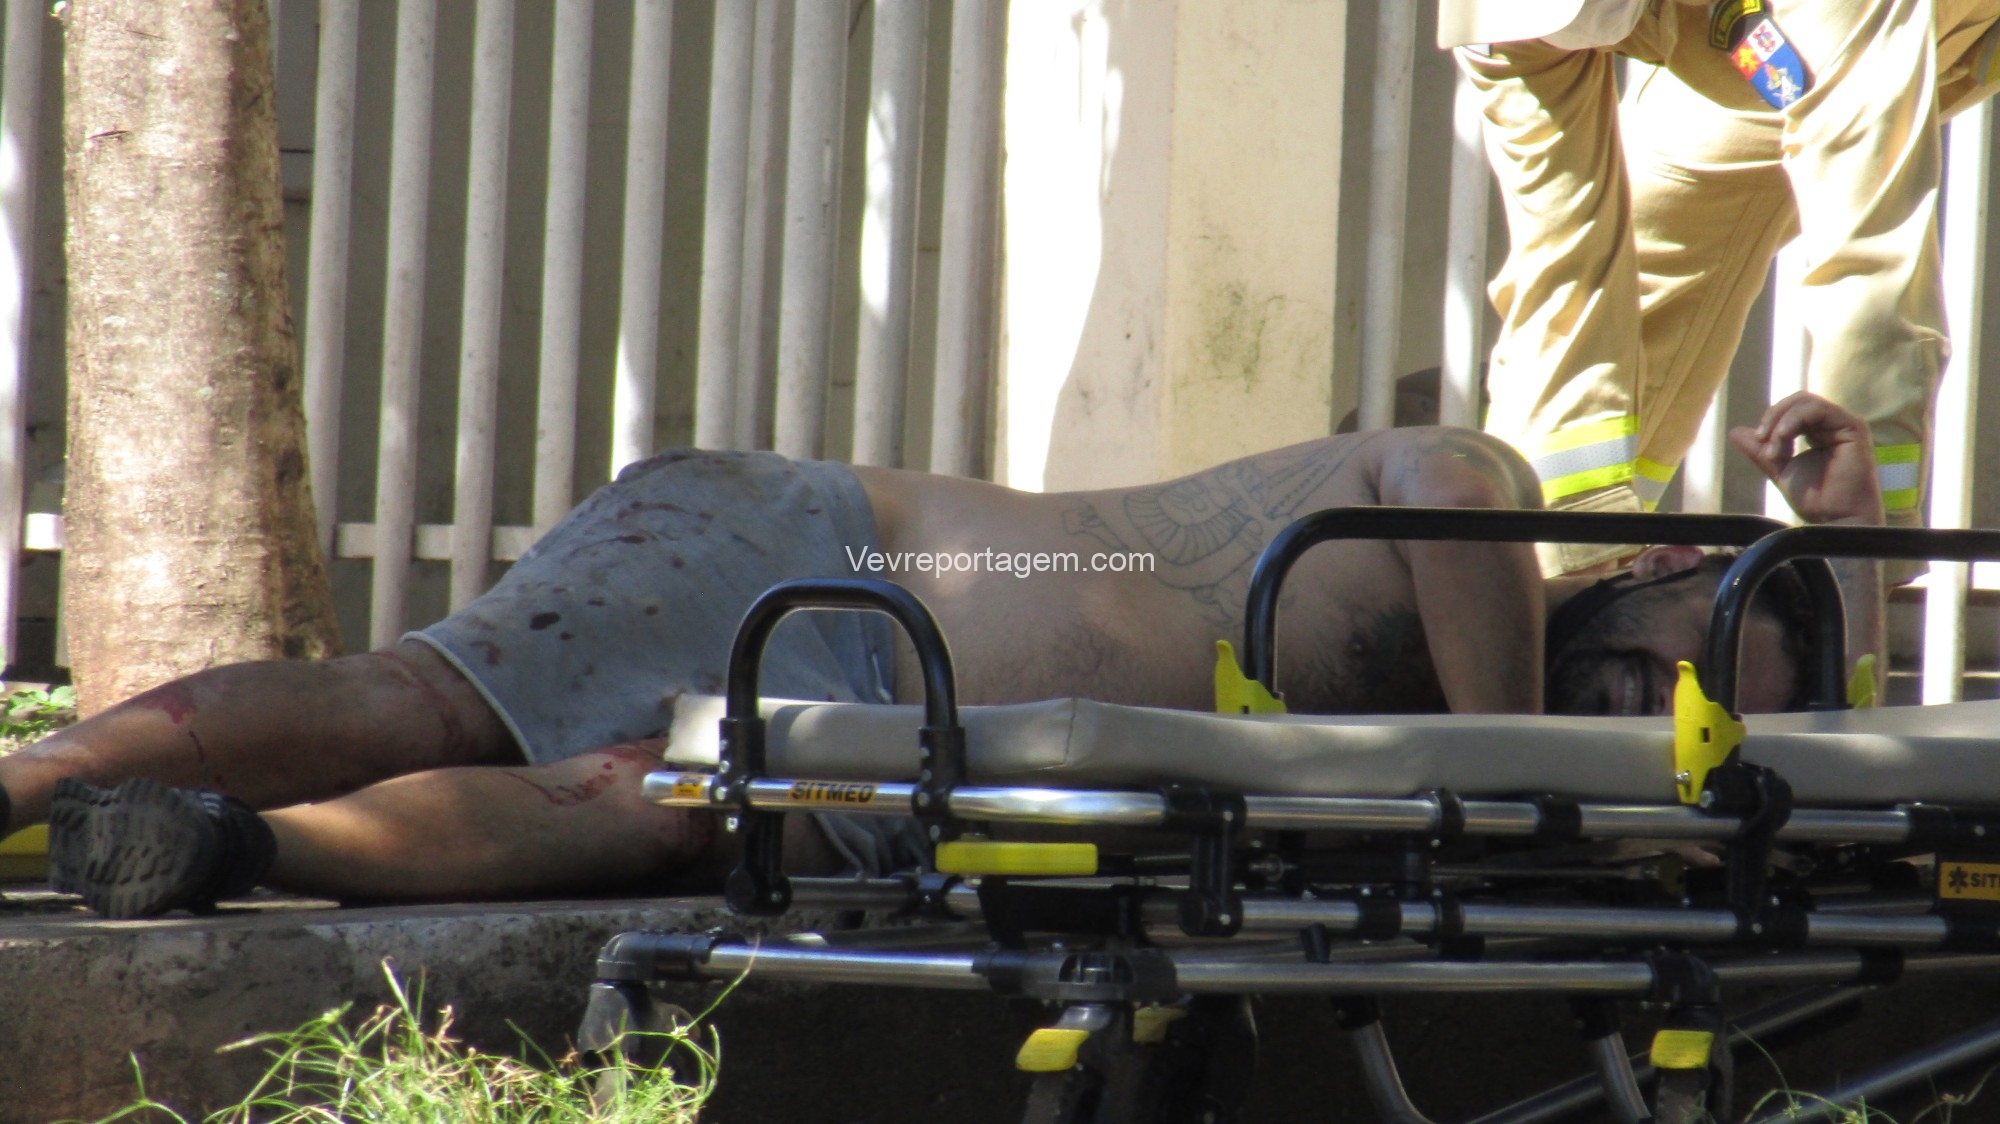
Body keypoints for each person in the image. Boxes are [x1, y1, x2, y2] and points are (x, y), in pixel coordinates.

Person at [3, 393, 1881, 919]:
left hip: (885, 730)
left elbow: (1840, 764)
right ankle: (27, 779)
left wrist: (1854, 538)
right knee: (406, 696)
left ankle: (225, 846)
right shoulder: (1483, 518)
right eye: (1670, 669)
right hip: (827, 552)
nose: (1663, 716)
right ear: (1656, 563)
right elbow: (1433, 474)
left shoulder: (1458, 744)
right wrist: (1550, 766)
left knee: (635, 808)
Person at [1439, 0, 2000, 573]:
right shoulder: (1499, 18)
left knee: (1861, 305)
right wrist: (1555, 564)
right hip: (1726, 36)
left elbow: (1868, 267)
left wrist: (1862, 543)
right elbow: (1559, 263)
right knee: (1635, 258)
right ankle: (1560, 571)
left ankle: (1851, 579)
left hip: (1875, 26)